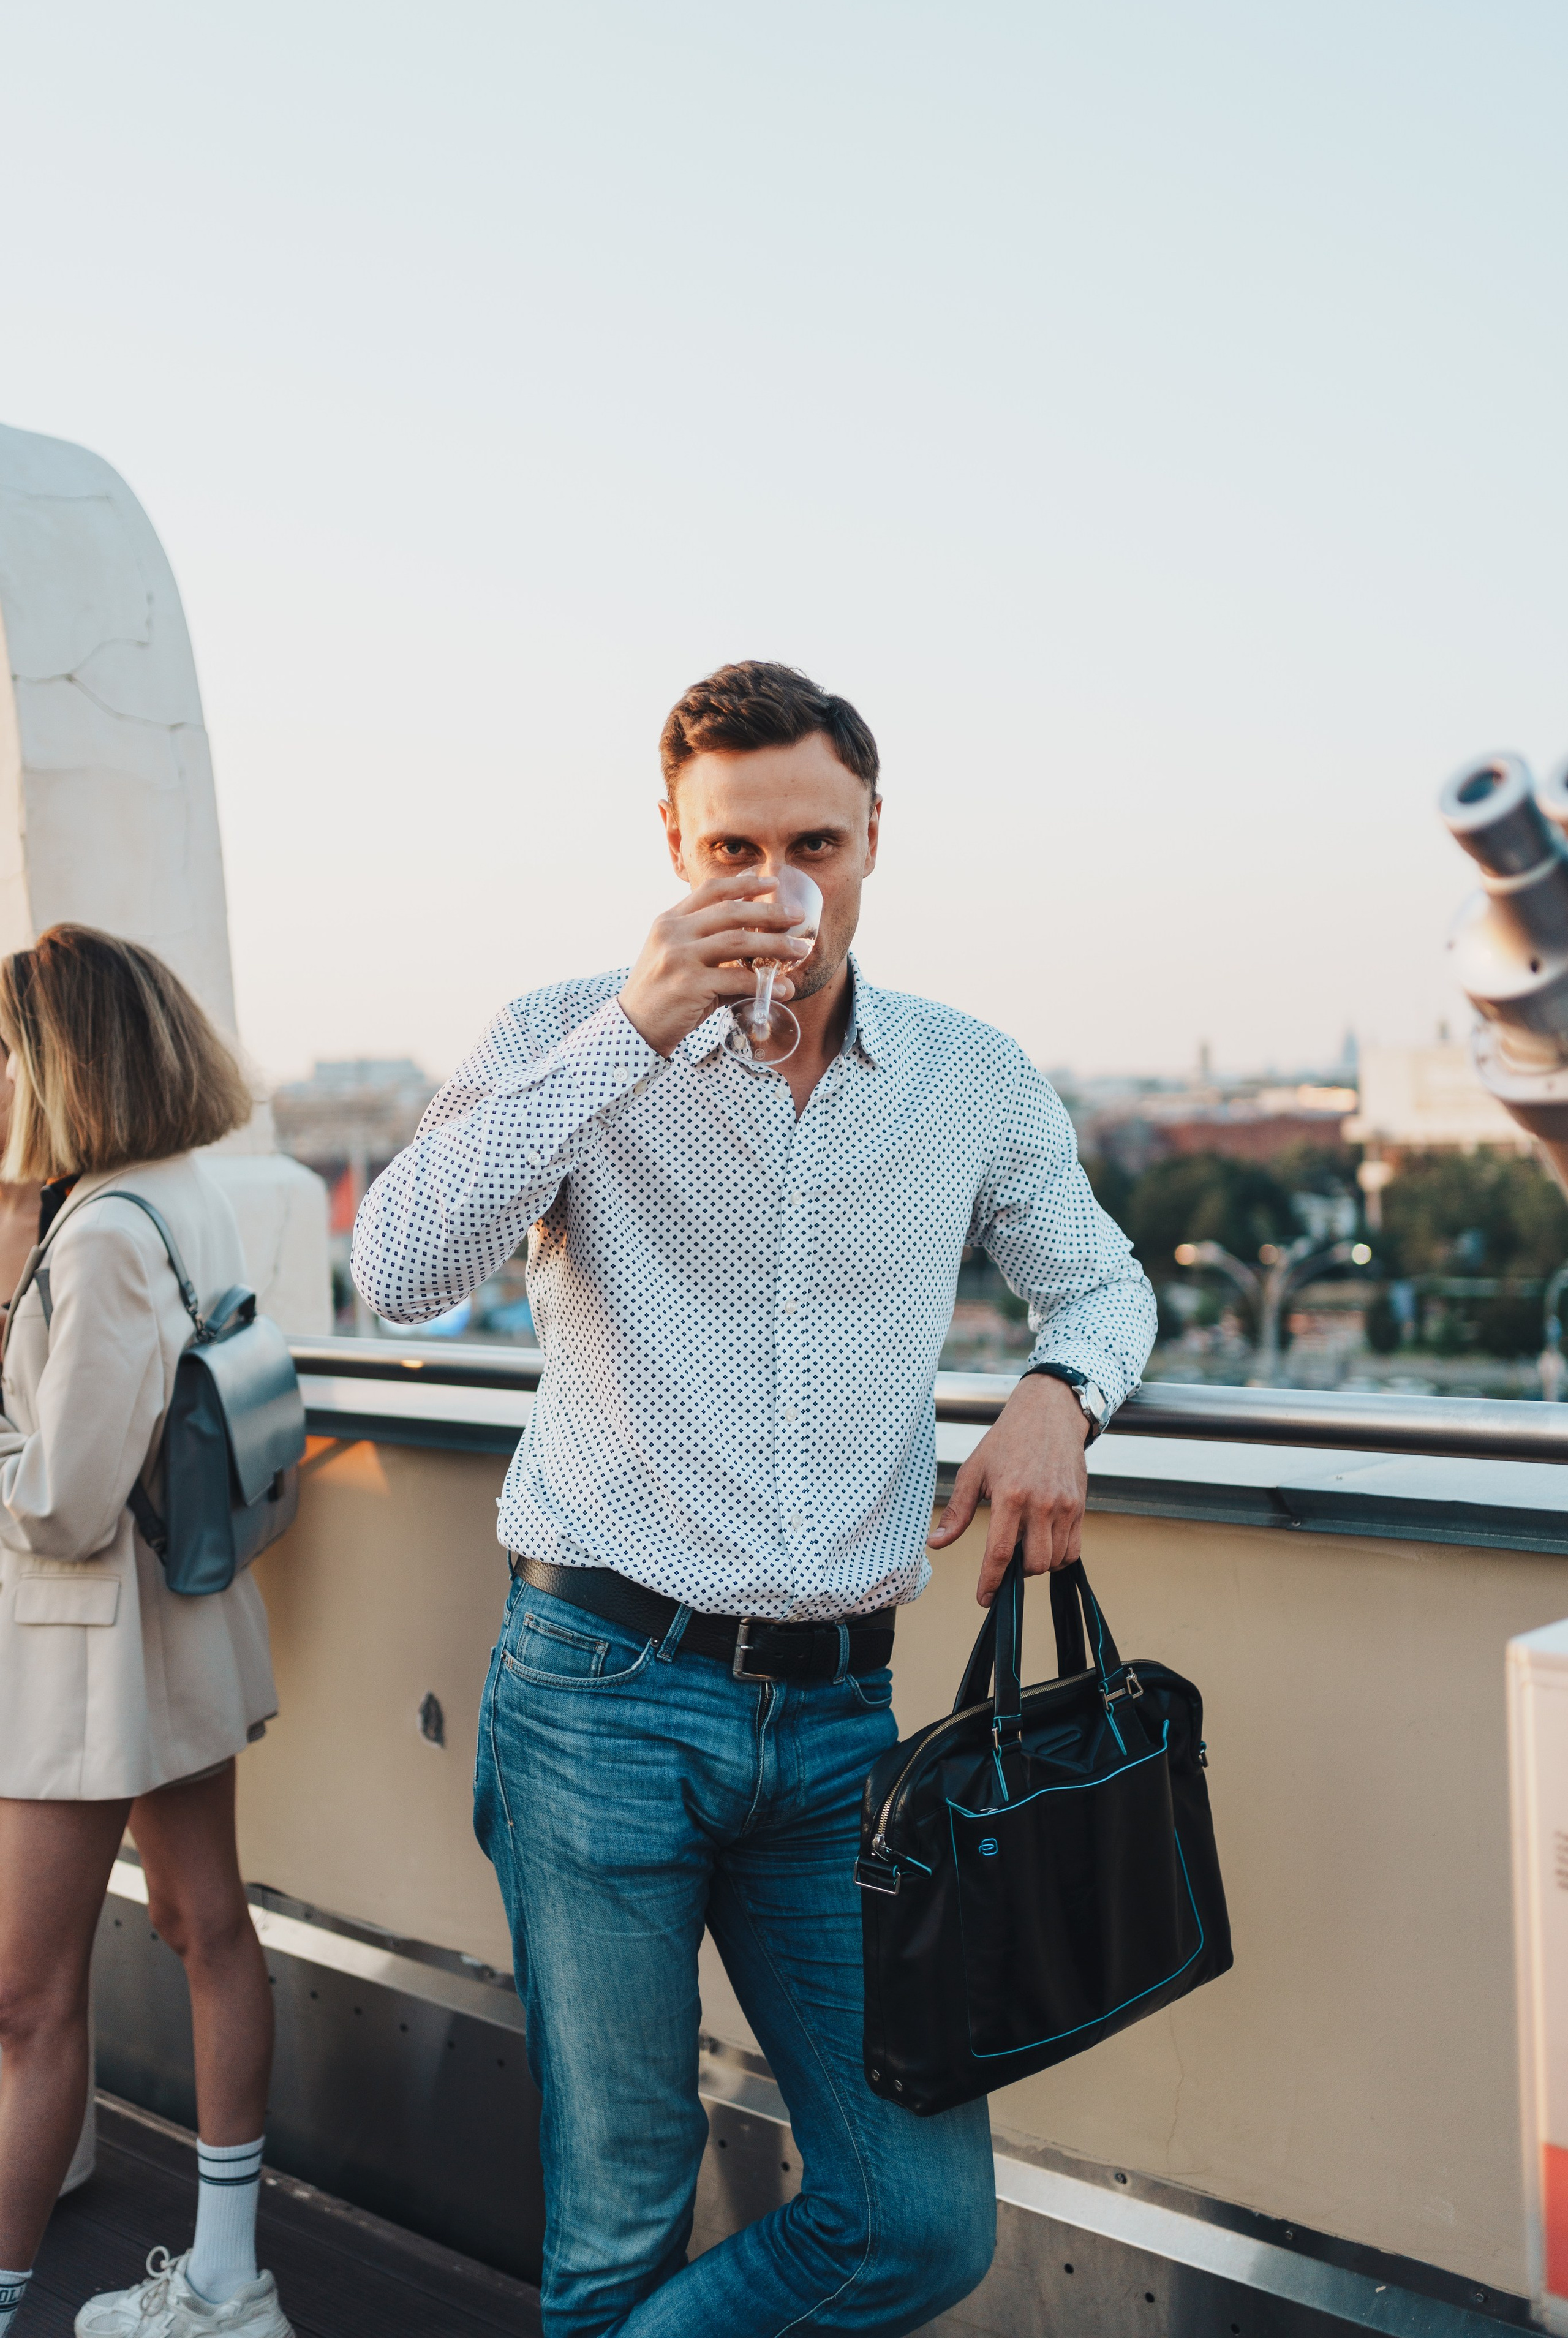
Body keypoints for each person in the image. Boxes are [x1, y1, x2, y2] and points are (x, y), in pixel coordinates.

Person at [353, 661, 1158, 2338]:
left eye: (814, 841)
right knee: (618, 2218)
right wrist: (629, 1036)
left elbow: (1105, 1284)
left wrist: (1057, 1395)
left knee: (917, 2221)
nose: (775, 885)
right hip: (598, 1699)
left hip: (842, 1729)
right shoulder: (558, 1035)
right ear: (672, 842)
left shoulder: (970, 1075)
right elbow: (397, 1271)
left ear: (874, 839)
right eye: (731, 850)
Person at [0, 927, 292, 2338]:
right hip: (178, 1624)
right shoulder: (178, 1194)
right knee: (206, 1924)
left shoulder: (104, 1231)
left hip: (85, 1657)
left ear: (64, 1062)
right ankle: (229, 2279)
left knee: (23, 2003)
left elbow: (60, 1503)